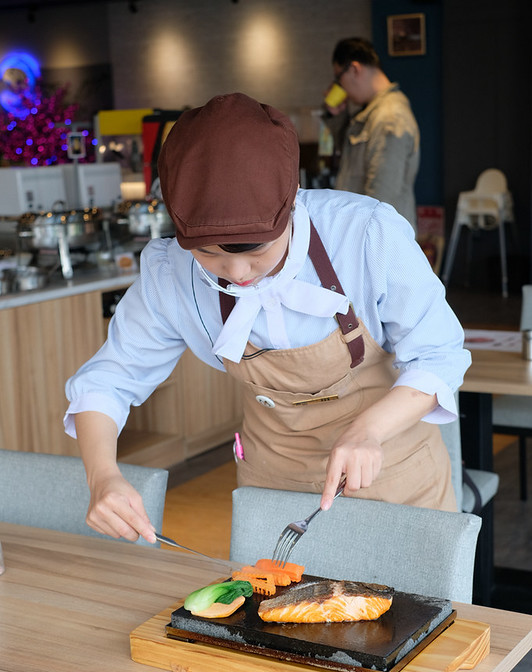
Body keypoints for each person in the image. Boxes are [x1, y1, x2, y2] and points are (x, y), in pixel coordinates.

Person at [63, 92, 470, 546]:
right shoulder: (169, 272)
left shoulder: (365, 233)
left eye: (256, 249)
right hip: (272, 486)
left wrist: (368, 430)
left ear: (292, 203)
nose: (237, 273)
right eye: (207, 253)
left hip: (394, 470)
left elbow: (438, 355)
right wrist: (102, 475)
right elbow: (108, 381)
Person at [323, 37, 420, 230]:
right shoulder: (372, 113)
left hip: (376, 238)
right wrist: (336, 115)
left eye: (339, 79)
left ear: (354, 69)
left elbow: (382, 197)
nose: (341, 88)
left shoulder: (389, 117)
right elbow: (349, 158)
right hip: (366, 233)